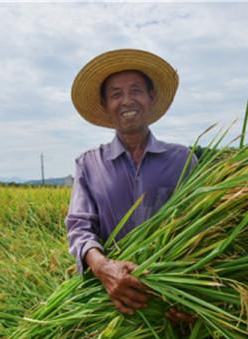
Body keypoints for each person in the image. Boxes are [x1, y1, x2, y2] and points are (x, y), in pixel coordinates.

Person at [66, 49, 197, 323]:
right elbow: (80, 228)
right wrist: (103, 268)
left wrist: (193, 295)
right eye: (116, 94)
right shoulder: (88, 165)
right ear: (105, 105)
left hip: (177, 302)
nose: (127, 101)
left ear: (151, 98)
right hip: (114, 305)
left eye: (136, 91)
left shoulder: (182, 161)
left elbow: (205, 230)